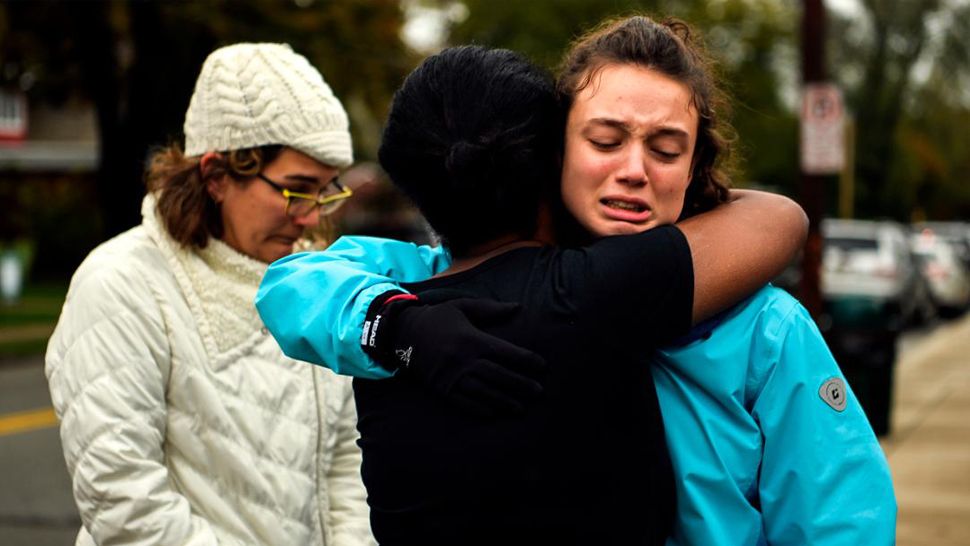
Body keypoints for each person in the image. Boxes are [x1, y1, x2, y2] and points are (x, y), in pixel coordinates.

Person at [258, 16, 896, 546]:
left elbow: (842, 525)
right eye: (606, 139)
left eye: (667, 149)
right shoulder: (440, 279)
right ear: (551, 149)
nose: (634, 170)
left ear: (696, 163)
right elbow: (294, 280)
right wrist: (397, 325)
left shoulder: (764, 328)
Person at [45, 43, 375, 546]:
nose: (311, 215)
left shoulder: (318, 281)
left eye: (327, 189)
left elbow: (348, 462)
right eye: (297, 188)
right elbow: (126, 503)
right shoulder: (121, 284)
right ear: (218, 176)